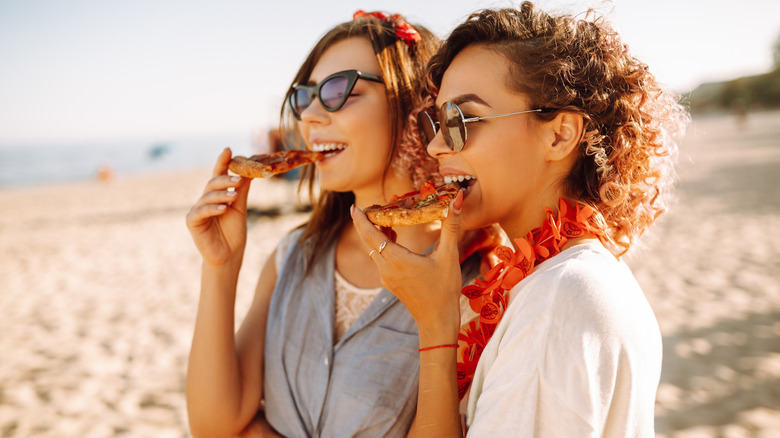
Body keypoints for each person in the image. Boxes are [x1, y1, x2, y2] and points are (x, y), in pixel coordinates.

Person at [352, 3, 689, 436]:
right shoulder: (568, 281)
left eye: (460, 119)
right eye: (435, 121)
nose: (436, 145)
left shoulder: (560, 299)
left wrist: (436, 327)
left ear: (559, 133)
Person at [185, 11, 488, 438]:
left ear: (416, 102)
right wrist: (220, 267)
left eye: (337, 91)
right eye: (305, 95)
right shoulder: (293, 256)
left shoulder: (479, 283)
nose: (308, 116)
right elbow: (213, 425)